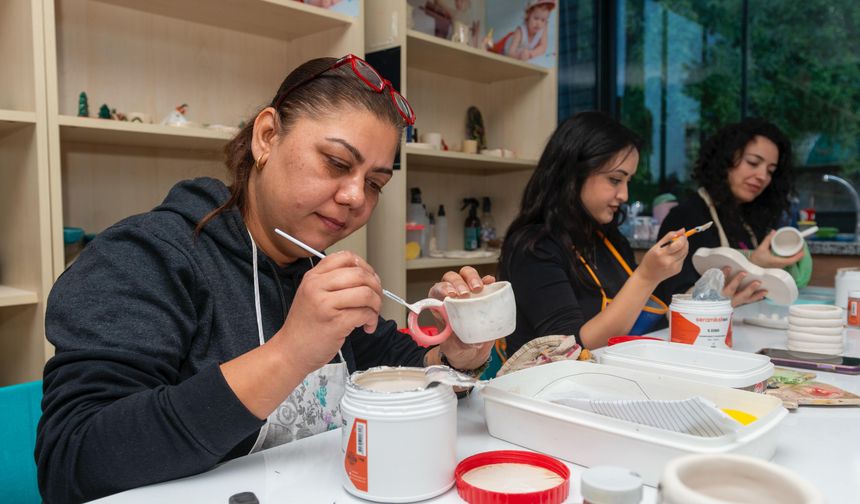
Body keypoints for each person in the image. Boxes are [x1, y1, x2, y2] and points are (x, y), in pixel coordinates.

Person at [36, 54, 493, 503]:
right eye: (336, 162)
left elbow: (391, 366)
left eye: (374, 183)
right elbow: (72, 465)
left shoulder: (311, 264)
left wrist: (452, 354)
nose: (356, 197)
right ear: (267, 136)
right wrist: (289, 352)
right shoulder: (144, 257)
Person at [498, 111, 689, 357]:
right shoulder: (533, 248)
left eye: (628, 181)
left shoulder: (609, 239)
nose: (624, 195)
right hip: (551, 378)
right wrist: (646, 277)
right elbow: (571, 348)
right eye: (615, 180)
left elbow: (637, 318)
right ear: (574, 174)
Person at [658, 118, 809, 303]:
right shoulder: (686, 217)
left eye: (770, 171)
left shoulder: (747, 219)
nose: (762, 176)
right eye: (753, 162)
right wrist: (753, 265)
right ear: (725, 160)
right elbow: (676, 299)